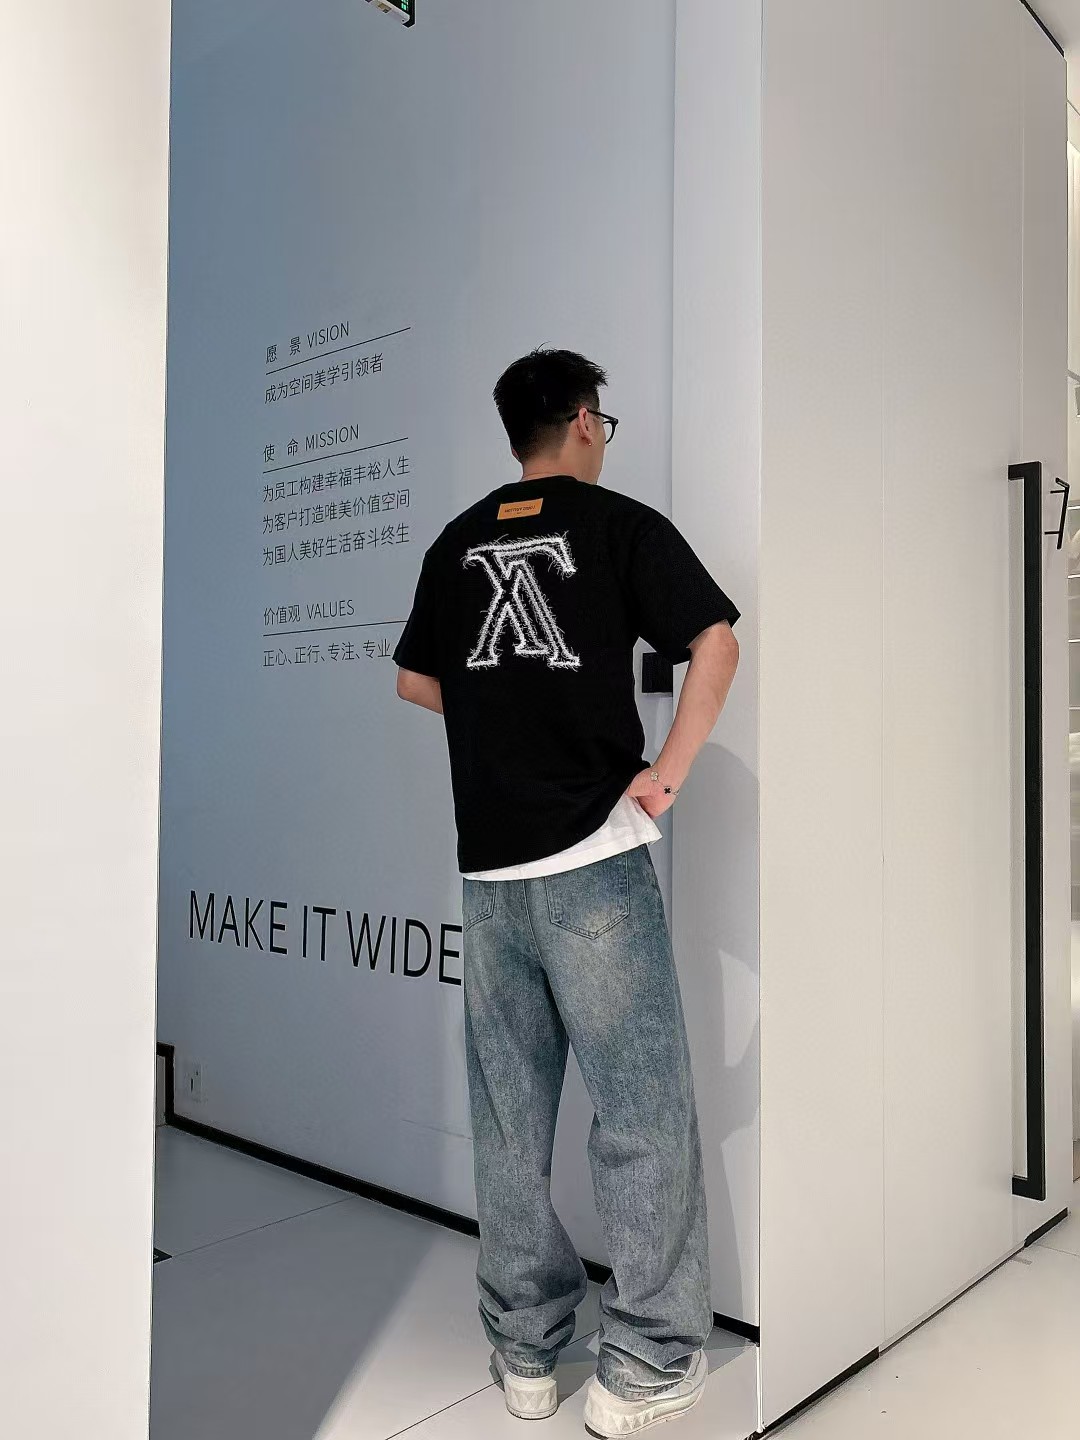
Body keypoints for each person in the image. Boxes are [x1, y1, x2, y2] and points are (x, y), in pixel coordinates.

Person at [393, 346, 740, 1435]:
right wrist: (663, 775)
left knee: (509, 1123)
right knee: (640, 1113)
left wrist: (506, 723)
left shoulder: (456, 541)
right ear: (585, 421)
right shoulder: (618, 525)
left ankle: (527, 1355)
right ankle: (645, 1363)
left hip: (490, 872)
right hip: (591, 857)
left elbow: (414, 680)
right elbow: (715, 643)